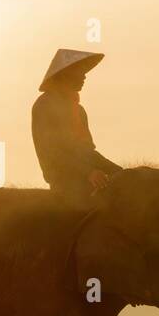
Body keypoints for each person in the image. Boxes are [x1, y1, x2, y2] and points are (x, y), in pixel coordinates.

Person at [31, 48, 121, 203]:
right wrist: (88, 172)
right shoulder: (45, 105)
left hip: (88, 181)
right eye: (80, 72)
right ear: (65, 74)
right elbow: (53, 152)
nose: (84, 77)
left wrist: (121, 173)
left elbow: (87, 151)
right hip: (65, 185)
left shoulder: (78, 110)